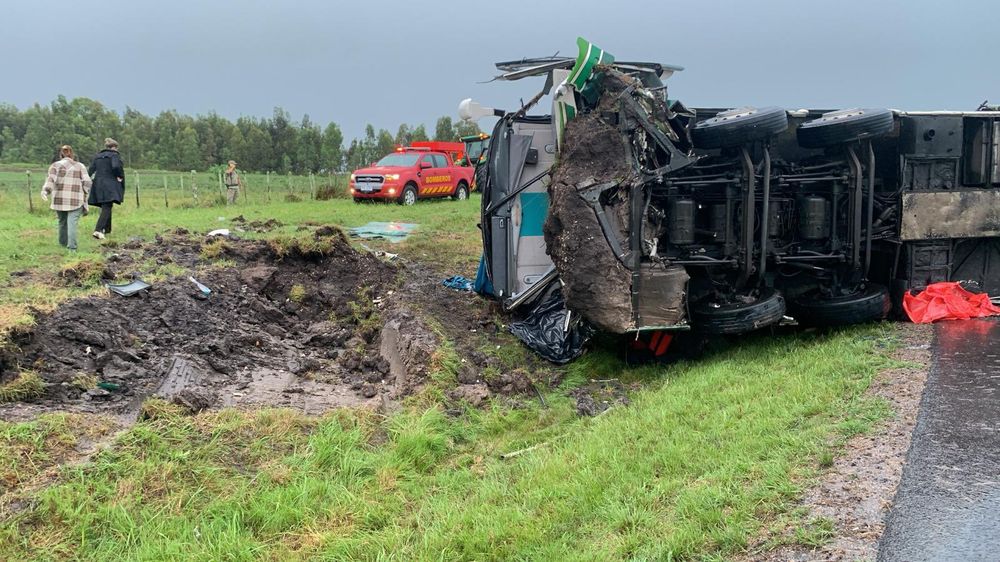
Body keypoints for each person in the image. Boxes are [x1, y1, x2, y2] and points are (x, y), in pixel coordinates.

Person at [40, 145, 91, 251]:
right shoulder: (80, 166)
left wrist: (45, 191)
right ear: (72, 153)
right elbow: (87, 182)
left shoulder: (55, 165)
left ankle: (63, 244)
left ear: (61, 154)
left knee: (62, 222)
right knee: (72, 222)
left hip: (59, 199)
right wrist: (85, 192)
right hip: (76, 199)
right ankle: (72, 248)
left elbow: (50, 180)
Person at [87, 138, 125, 240]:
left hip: (98, 184)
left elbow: (90, 170)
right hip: (110, 184)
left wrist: (87, 180)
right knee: (107, 206)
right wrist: (119, 176)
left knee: (106, 205)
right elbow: (116, 167)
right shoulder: (114, 155)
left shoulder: (98, 156)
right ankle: (98, 230)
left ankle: (107, 230)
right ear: (114, 147)